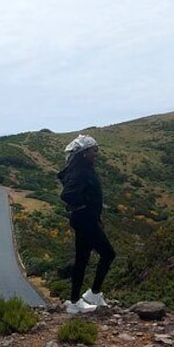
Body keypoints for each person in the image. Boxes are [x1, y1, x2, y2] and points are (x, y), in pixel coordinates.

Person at [57, 134, 116, 314]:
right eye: (93, 150)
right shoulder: (81, 171)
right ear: (83, 153)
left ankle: (76, 301)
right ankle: (93, 293)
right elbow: (67, 195)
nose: (96, 153)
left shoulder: (82, 168)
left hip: (86, 219)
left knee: (82, 260)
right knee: (108, 254)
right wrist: (84, 204)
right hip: (86, 221)